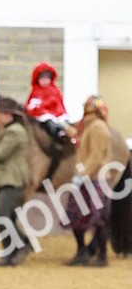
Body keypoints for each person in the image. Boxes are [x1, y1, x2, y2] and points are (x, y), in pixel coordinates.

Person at [67, 95, 118, 267]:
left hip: (96, 180)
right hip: (87, 179)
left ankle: (102, 256)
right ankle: (83, 253)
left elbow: (96, 156)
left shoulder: (98, 128)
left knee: (98, 219)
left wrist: (82, 175)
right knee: (76, 216)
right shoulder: (89, 127)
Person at [0, 96, 32, 266]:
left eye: (0, 113)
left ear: (9, 115)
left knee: (2, 216)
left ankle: (20, 246)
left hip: (12, 180)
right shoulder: (10, 130)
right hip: (6, 179)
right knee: (8, 216)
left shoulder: (15, 132)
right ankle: (12, 251)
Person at [24, 62, 70, 141]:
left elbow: (58, 102)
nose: (45, 80)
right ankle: (55, 132)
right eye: (42, 78)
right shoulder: (35, 91)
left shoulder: (55, 90)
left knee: (63, 120)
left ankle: (66, 132)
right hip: (43, 113)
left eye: (47, 78)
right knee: (47, 119)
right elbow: (32, 105)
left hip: (57, 113)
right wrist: (38, 107)